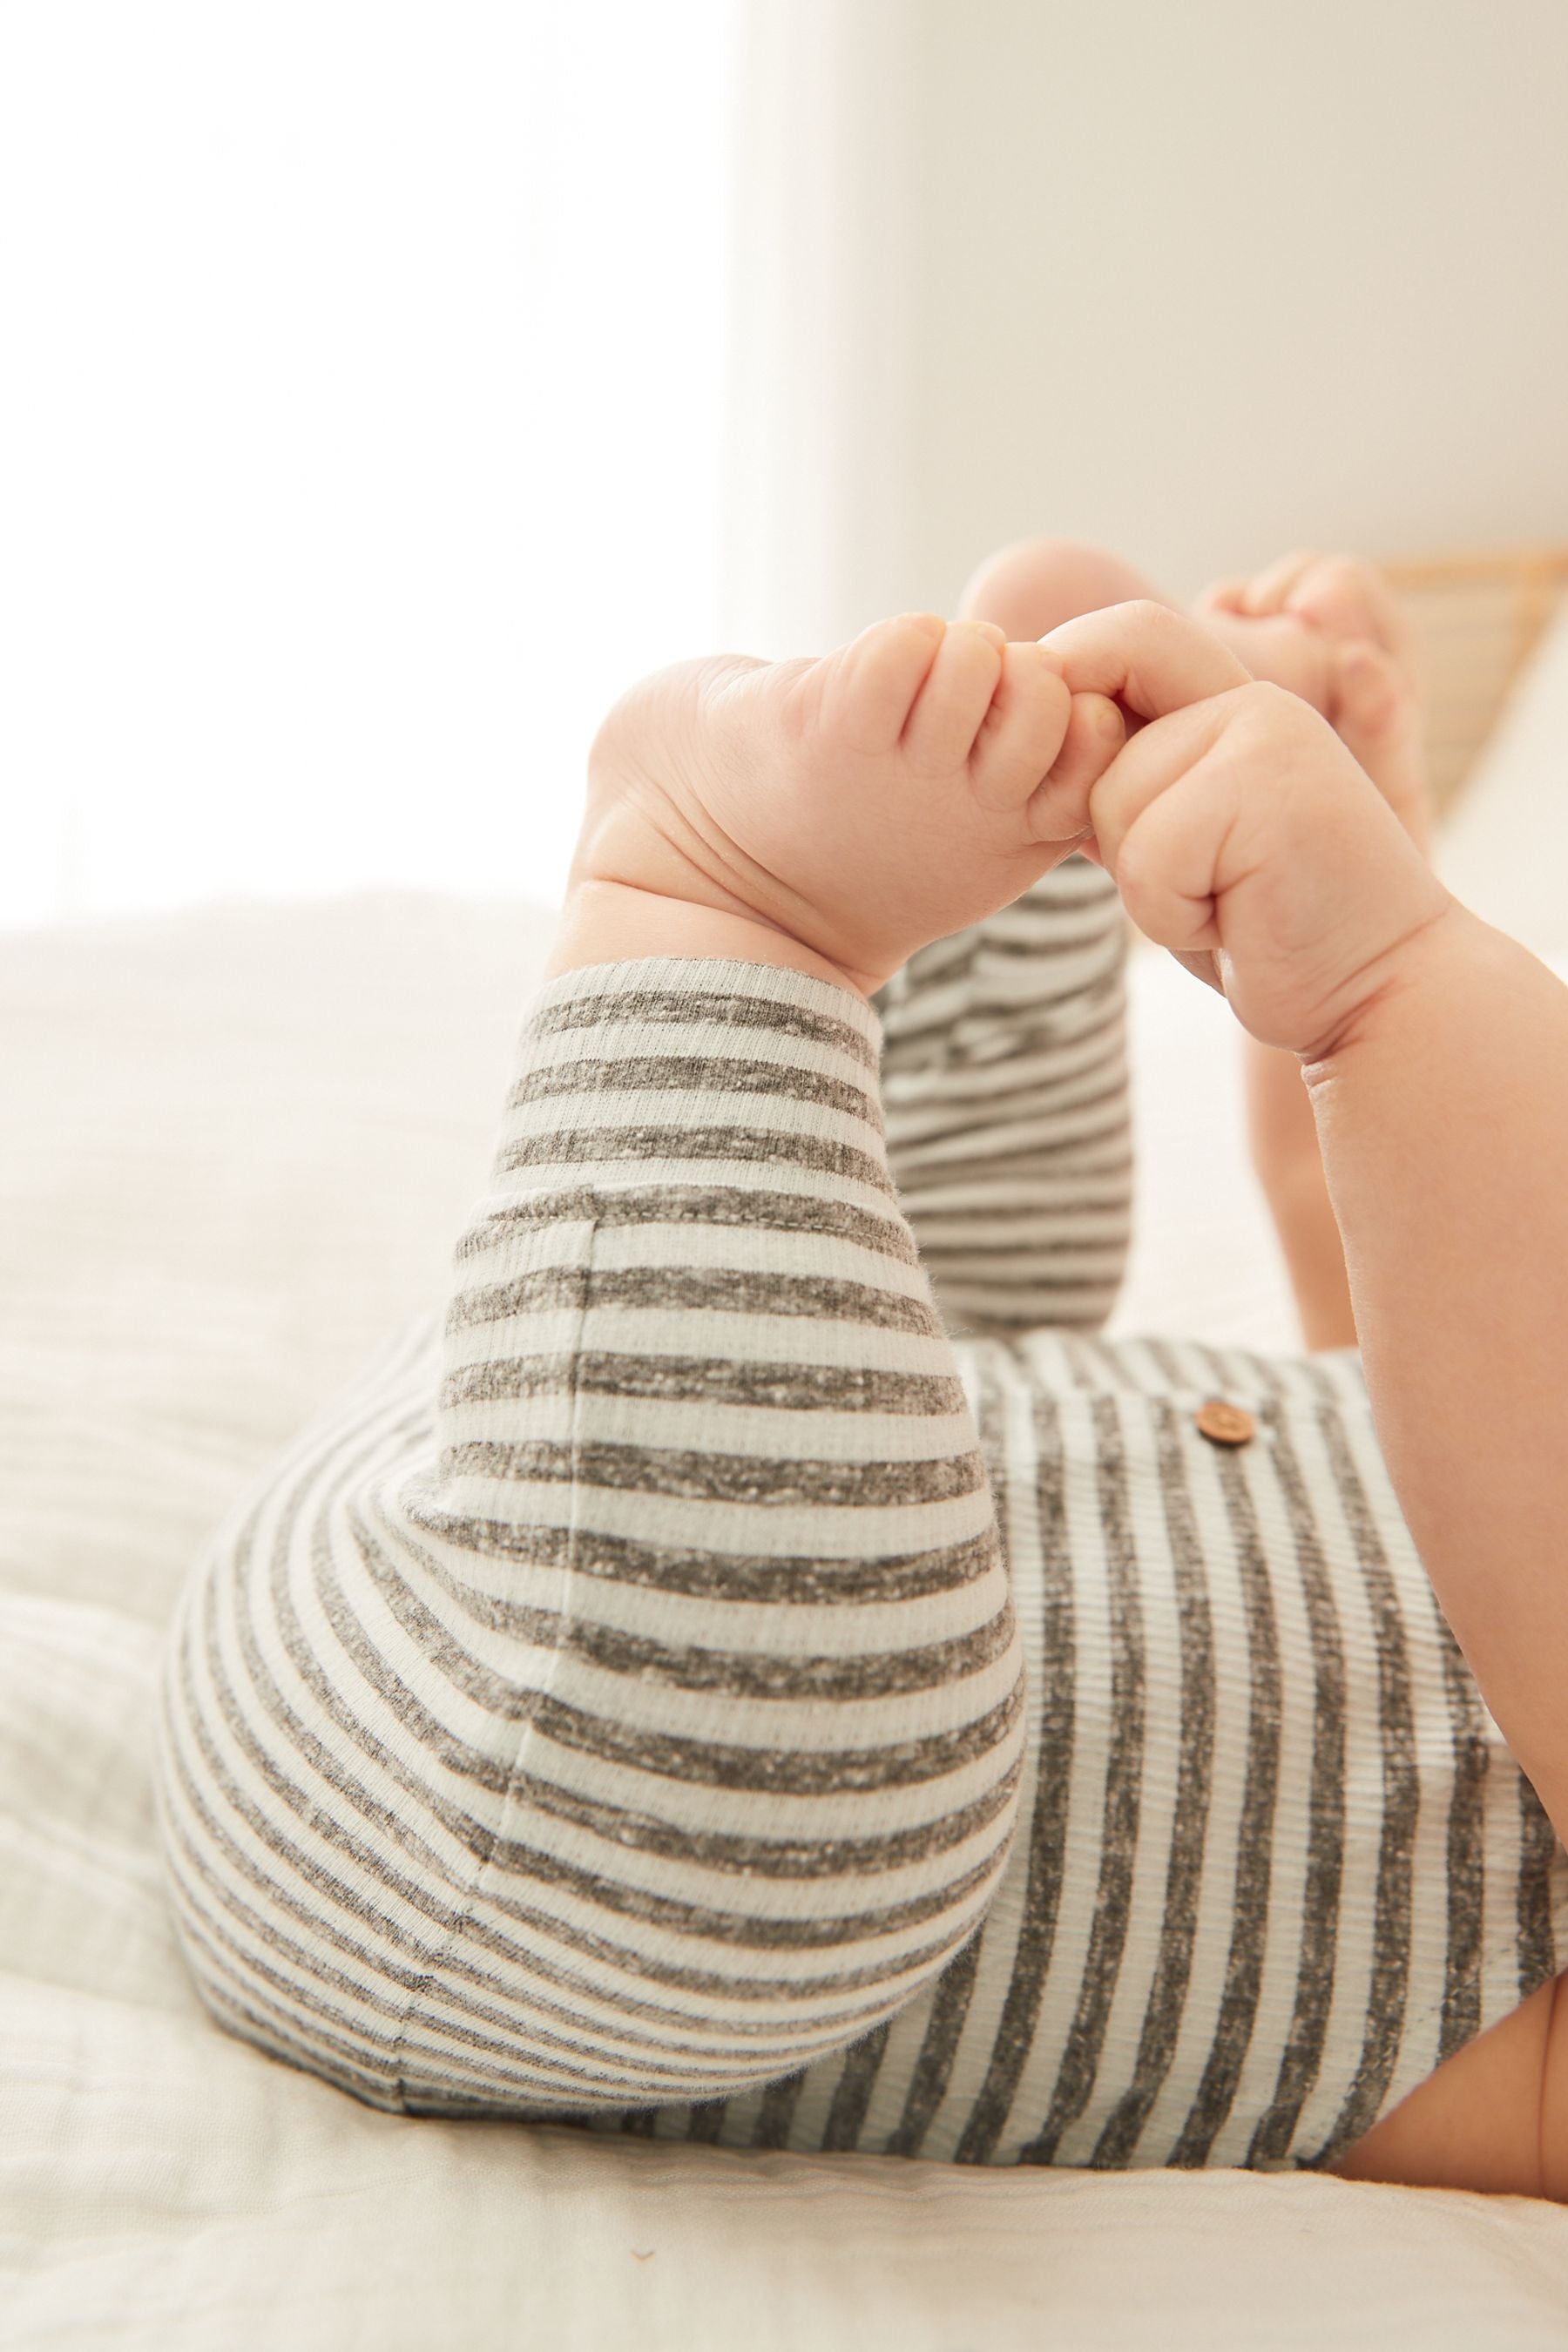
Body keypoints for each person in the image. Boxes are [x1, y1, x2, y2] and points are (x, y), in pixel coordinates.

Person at [152, 539, 1568, 2195]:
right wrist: (1335, 874)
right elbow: (1423, 1305)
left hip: (530, 1792)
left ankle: (707, 912)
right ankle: (1042, 785)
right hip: (591, 1469)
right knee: (991, 1275)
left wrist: (1397, 976)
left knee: (799, 1779)